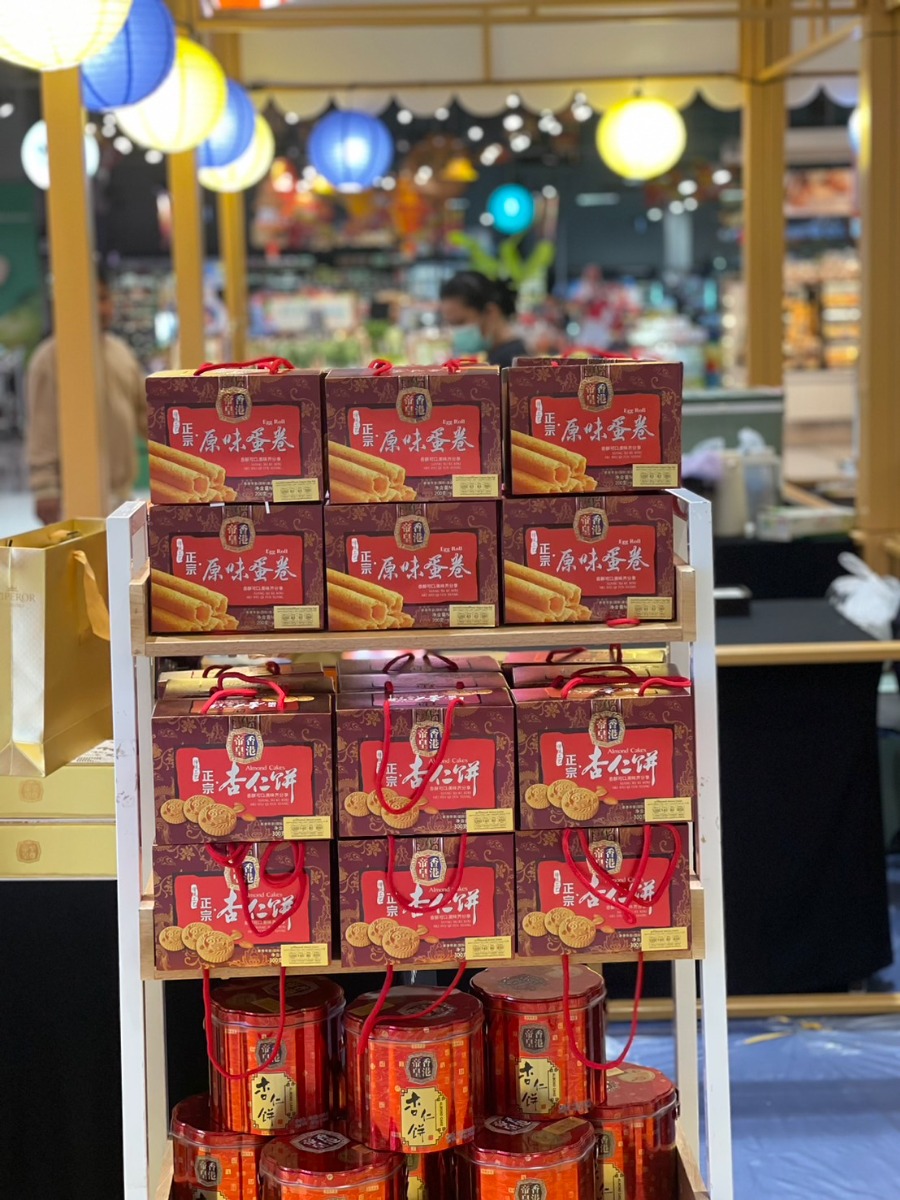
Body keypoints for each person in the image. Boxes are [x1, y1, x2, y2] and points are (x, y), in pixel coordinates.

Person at [26, 273, 147, 524]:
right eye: (90, 300)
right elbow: (42, 428)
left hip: (121, 497)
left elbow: (146, 415)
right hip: (72, 499)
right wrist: (45, 487)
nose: (99, 308)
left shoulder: (121, 352)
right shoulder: (49, 358)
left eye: (103, 298)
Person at [439, 271, 528, 368]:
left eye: (460, 322)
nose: (455, 332)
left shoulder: (511, 362)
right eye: (450, 324)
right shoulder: (497, 354)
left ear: (491, 312)